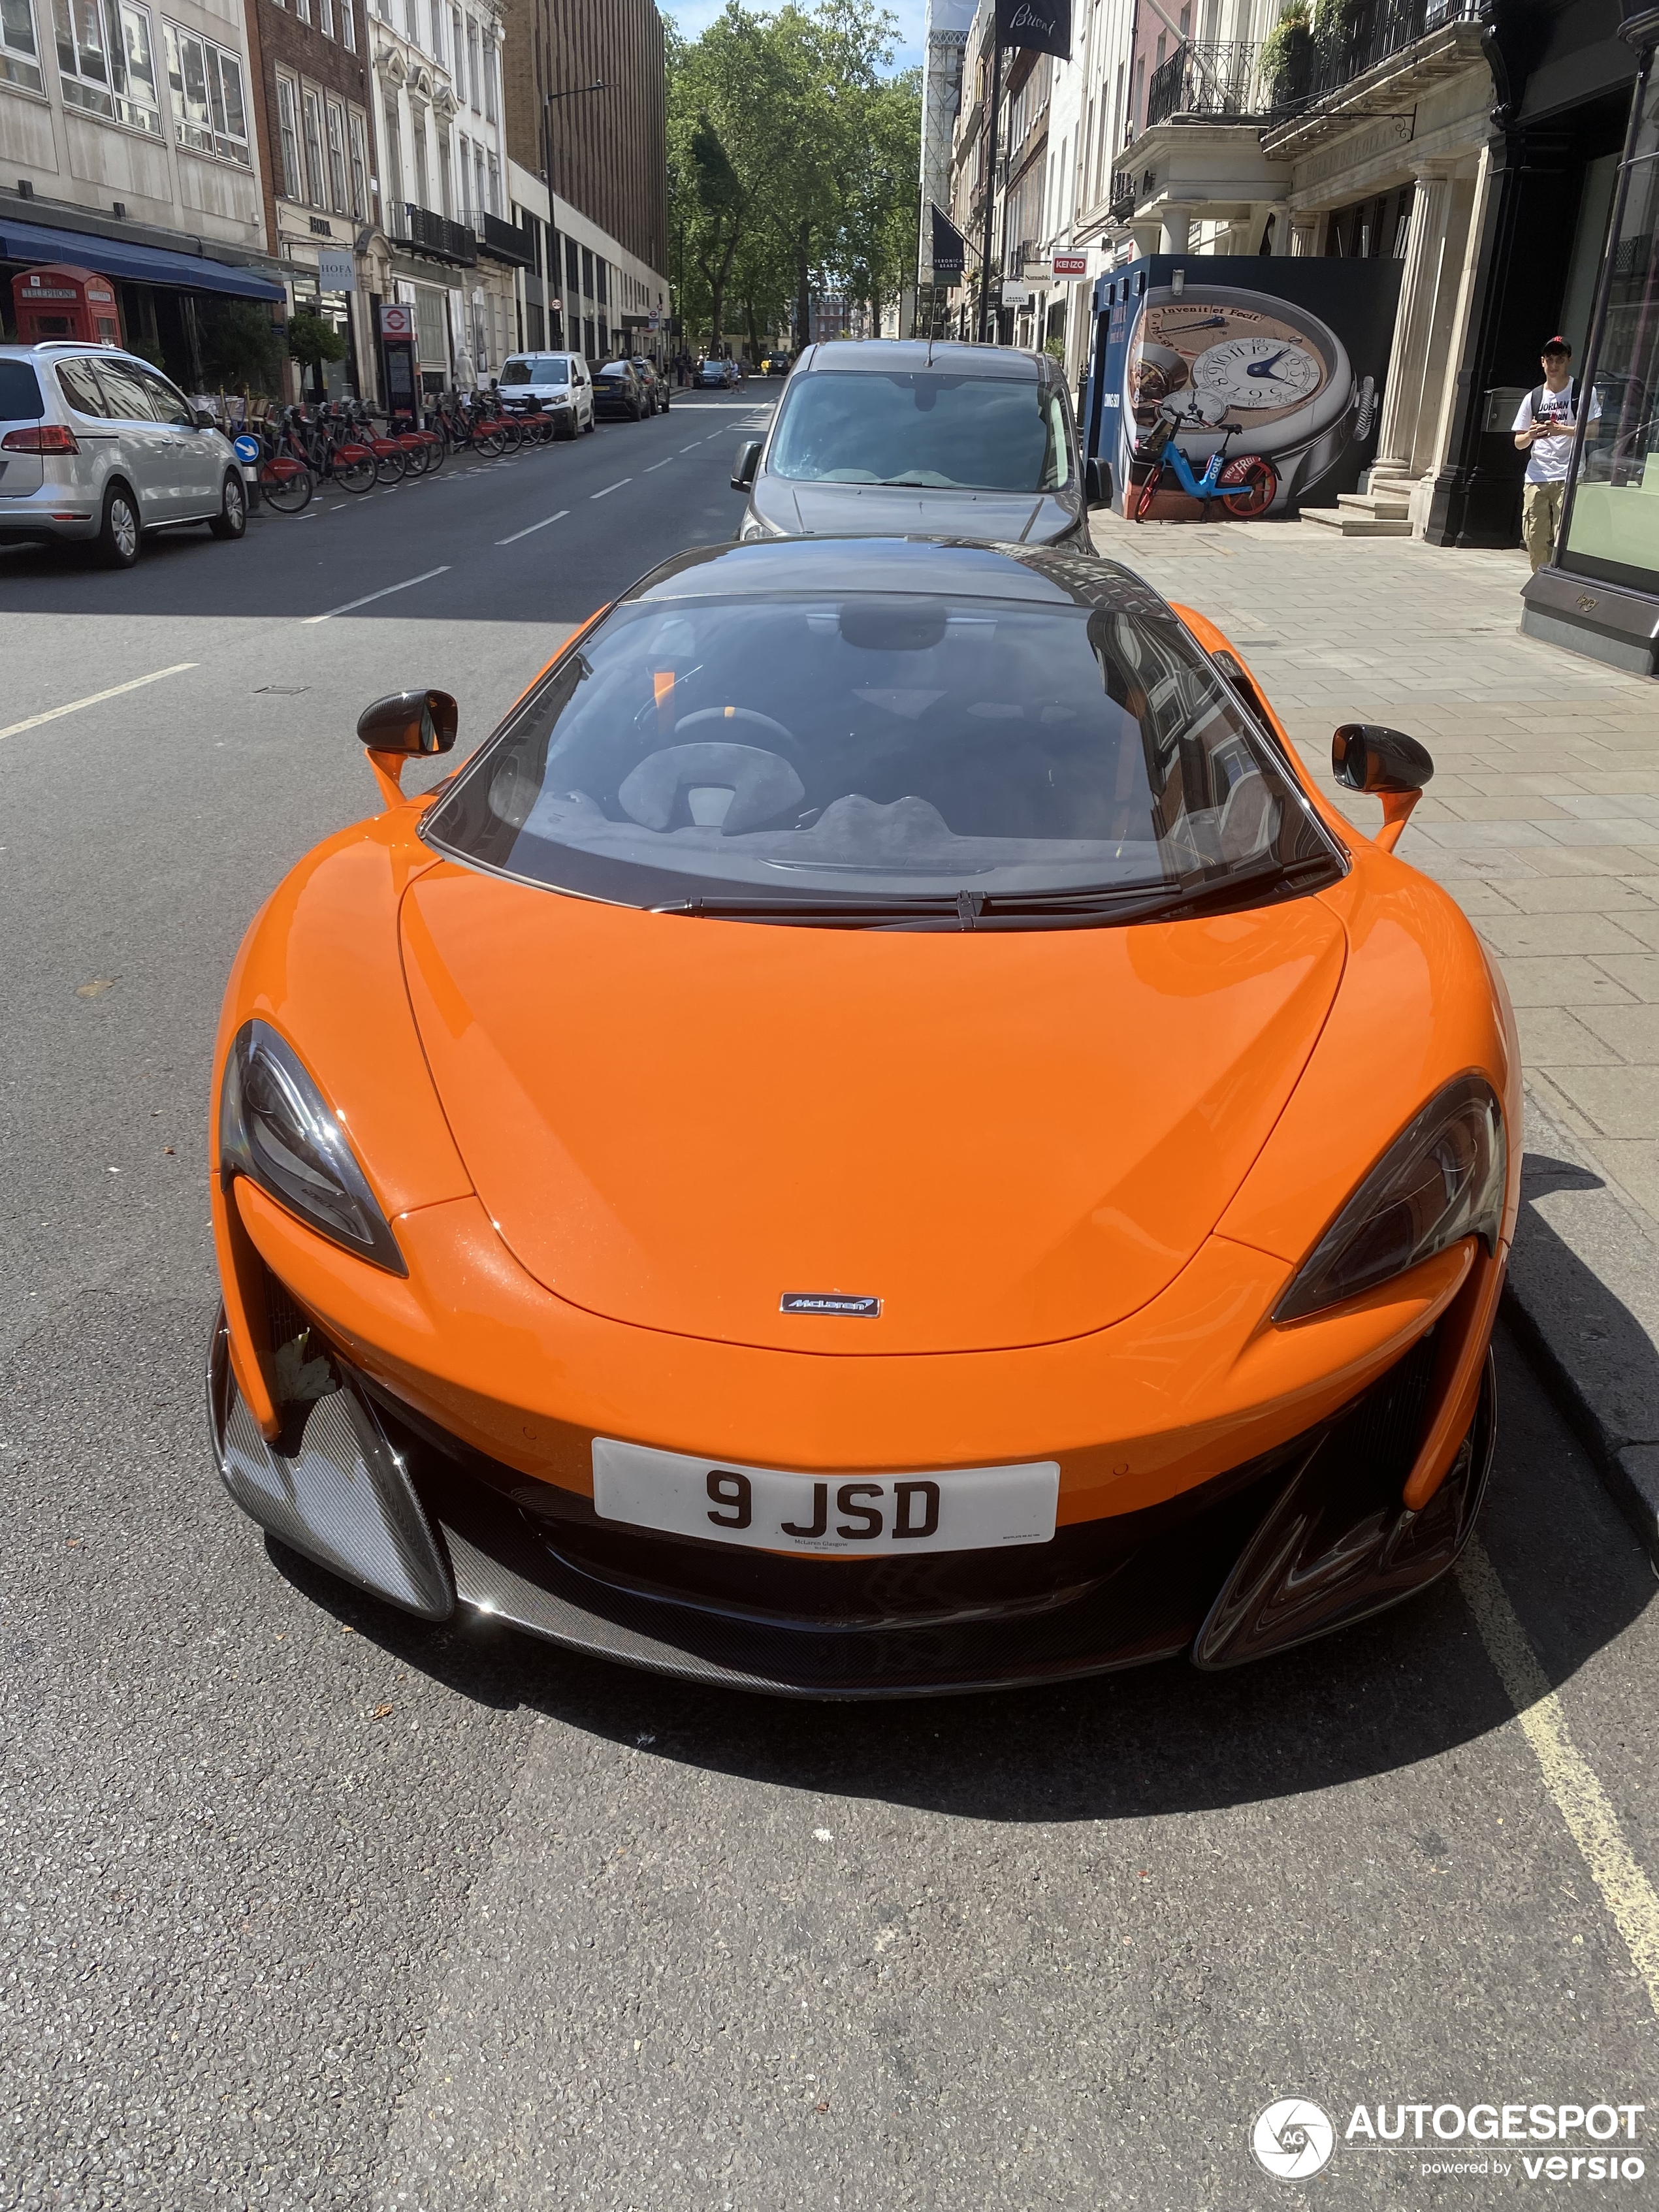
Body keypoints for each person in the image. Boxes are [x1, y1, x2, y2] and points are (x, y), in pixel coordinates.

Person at [1511, 336, 1598, 573]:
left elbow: (1592, 432)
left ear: (1568, 360)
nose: (1554, 365)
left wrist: (1562, 430)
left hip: (1569, 474)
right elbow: (1519, 443)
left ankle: (1562, 581)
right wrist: (1531, 434)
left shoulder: (1582, 391)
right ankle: (1541, 583)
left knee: (1565, 537)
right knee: (1535, 537)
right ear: (1542, 362)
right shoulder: (1534, 397)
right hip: (1537, 475)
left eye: (1560, 359)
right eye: (1549, 360)